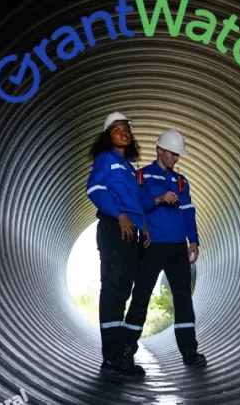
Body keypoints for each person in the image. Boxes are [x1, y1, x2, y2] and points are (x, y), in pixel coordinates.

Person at [124, 130, 207, 367]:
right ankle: (126, 351)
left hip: (178, 247)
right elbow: (134, 207)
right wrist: (159, 200)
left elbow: (188, 211)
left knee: (183, 298)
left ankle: (190, 352)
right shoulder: (142, 176)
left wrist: (193, 240)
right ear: (159, 150)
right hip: (153, 245)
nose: (175, 159)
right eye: (172, 154)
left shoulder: (181, 181)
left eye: (178, 155)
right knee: (141, 296)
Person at [86, 111, 155, 380]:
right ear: (107, 135)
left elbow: (135, 202)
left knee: (123, 290)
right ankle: (114, 359)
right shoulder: (106, 159)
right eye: (117, 128)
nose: (124, 132)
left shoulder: (128, 167)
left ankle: (114, 358)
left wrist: (144, 225)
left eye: (127, 128)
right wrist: (120, 216)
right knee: (114, 291)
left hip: (130, 231)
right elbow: (94, 189)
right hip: (114, 228)